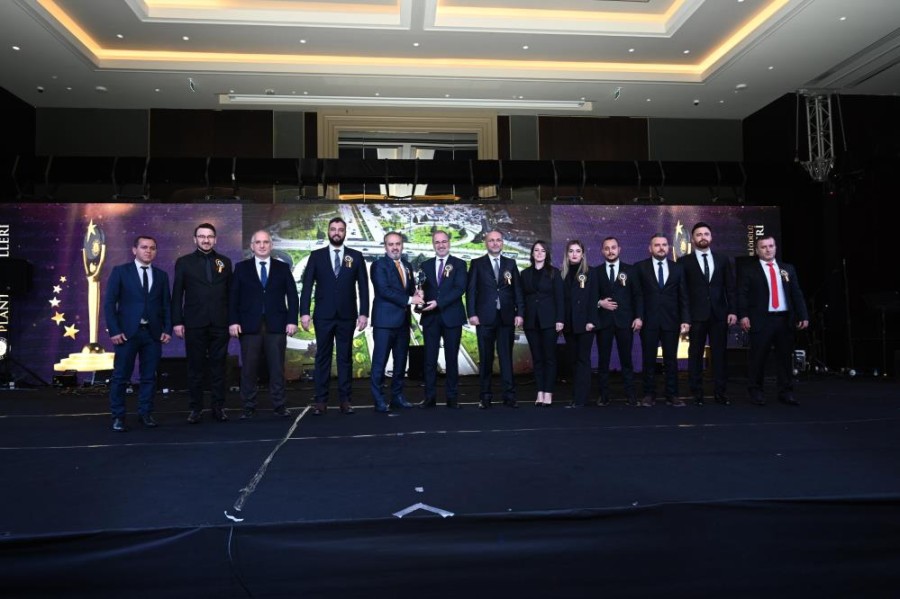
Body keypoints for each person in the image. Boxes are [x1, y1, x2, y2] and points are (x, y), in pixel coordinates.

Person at [299, 217, 369, 415]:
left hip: (347, 315)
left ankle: (345, 400)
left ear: (345, 232)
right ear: (328, 232)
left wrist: (364, 313)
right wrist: (304, 312)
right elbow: (307, 286)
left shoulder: (356, 256)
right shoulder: (316, 256)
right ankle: (321, 401)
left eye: (340, 229)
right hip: (323, 315)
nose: (337, 232)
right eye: (333, 229)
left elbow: (363, 287)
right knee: (322, 357)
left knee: (345, 358)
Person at [104, 235, 172, 432]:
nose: (148, 251)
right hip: (126, 334)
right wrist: (114, 330)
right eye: (144, 247)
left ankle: (146, 414)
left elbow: (166, 305)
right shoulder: (120, 272)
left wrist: (167, 329)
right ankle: (118, 417)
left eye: (152, 248)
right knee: (120, 377)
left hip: (152, 334)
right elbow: (109, 304)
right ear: (134, 250)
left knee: (149, 377)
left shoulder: (161, 275)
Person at [228, 230, 299, 419]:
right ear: (252, 246)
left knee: (277, 368)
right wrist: (233, 321)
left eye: (265, 242)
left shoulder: (282, 268)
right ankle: (248, 406)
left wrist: (292, 320)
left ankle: (279, 405)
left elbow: (292, 296)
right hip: (248, 326)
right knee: (249, 369)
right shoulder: (241, 268)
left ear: (271, 245)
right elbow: (233, 297)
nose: (262, 245)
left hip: (277, 325)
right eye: (258, 242)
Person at [171, 223, 232, 424]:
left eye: (210, 236)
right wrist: (177, 321)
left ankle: (218, 407)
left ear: (215, 239)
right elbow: (177, 294)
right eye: (202, 236)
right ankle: (195, 408)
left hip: (220, 323)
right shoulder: (184, 262)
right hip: (194, 323)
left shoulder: (225, 262)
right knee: (195, 368)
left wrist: (232, 320)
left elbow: (230, 294)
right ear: (195, 239)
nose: (206, 240)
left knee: (219, 368)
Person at [737, 235, 809, 405]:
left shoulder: (787, 269)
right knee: (758, 358)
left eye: (771, 246)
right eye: (763, 247)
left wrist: (803, 315)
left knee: (785, 358)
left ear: (775, 248)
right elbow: (742, 295)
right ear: (757, 250)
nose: (768, 249)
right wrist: (743, 315)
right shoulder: (749, 270)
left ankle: (786, 392)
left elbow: (796, 293)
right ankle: (756, 391)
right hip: (761, 320)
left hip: (784, 319)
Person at [466, 230, 524, 409]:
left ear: (502, 243)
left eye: (498, 240)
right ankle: (485, 397)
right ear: (486, 243)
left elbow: (517, 291)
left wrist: (520, 313)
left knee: (506, 358)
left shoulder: (510, 264)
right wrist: (472, 313)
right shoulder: (477, 264)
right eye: (491, 240)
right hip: (484, 318)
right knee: (486, 358)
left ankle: (509, 396)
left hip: (506, 318)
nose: (495, 243)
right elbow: (471, 291)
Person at [683, 222, 737, 406]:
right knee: (695, 354)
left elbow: (730, 288)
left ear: (711, 237)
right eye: (698, 234)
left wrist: (733, 311)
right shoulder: (684, 262)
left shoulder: (723, 259)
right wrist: (685, 318)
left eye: (706, 234)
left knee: (720, 355)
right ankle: (696, 393)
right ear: (692, 239)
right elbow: (683, 294)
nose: (702, 237)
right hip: (696, 316)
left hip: (719, 315)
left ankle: (720, 392)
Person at [369, 231, 422, 413]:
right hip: (384, 323)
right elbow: (384, 291)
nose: (394, 247)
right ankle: (379, 400)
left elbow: (410, 289)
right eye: (390, 244)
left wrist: (417, 294)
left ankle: (397, 397)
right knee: (380, 363)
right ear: (385, 246)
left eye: (397, 244)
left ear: (402, 245)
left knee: (400, 363)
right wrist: (410, 299)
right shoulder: (378, 265)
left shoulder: (407, 265)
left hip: (403, 323)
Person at [635, 233, 690, 407]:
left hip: (671, 320)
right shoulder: (640, 267)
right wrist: (638, 317)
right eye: (657, 245)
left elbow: (683, 296)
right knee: (648, 359)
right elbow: (638, 296)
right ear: (650, 248)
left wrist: (685, 319)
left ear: (668, 247)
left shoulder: (677, 268)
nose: (661, 248)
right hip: (648, 321)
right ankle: (648, 394)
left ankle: (672, 395)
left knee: (671, 360)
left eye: (664, 245)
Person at [418, 230, 468, 409]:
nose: (441, 245)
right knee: (429, 360)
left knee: (451, 359)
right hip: (430, 318)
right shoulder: (425, 265)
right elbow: (421, 287)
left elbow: (459, 289)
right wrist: (419, 294)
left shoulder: (459, 264)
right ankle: (429, 398)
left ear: (449, 243)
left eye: (444, 241)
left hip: (452, 317)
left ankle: (452, 398)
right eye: (437, 242)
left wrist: (438, 303)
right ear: (433, 244)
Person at [593, 236, 643, 407]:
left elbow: (637, 295)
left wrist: (638, 317)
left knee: (626, 360)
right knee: (603, 360)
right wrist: (600, 303)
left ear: (619, 249)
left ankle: (630, 395)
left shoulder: (631, 270)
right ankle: (603, 395)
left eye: (613, 247)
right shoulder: (596, 272)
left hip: (625, 321)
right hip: (604, 322)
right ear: (602, 251)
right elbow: (591, 296)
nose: (610, 251)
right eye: (607, 248)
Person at [520, 240, 564, 407]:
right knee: (537, 358)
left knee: (549, 358)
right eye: (536, 250)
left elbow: (560, 298)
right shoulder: (525, 274)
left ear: (547, 254)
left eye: (542, 251)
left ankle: (548, 392)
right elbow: (522, 298)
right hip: (531, 322)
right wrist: (521, 316)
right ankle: (539, 392)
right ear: (532, 253)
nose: (539, 253)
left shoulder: (554, 273)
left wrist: (560, 319)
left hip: (550, 322)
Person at [561, 240, 596, 408]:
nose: (574, 254)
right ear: (567, 254)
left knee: (583, 360)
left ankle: (582, 398)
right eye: (571, 251)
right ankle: (575, 396)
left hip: (585, 324)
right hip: (569, 325)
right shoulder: (562, 274)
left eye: (577, 251)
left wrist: (591, 320)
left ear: (583, 254)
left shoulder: (591, 273)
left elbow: (594, 298)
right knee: (574, 361)